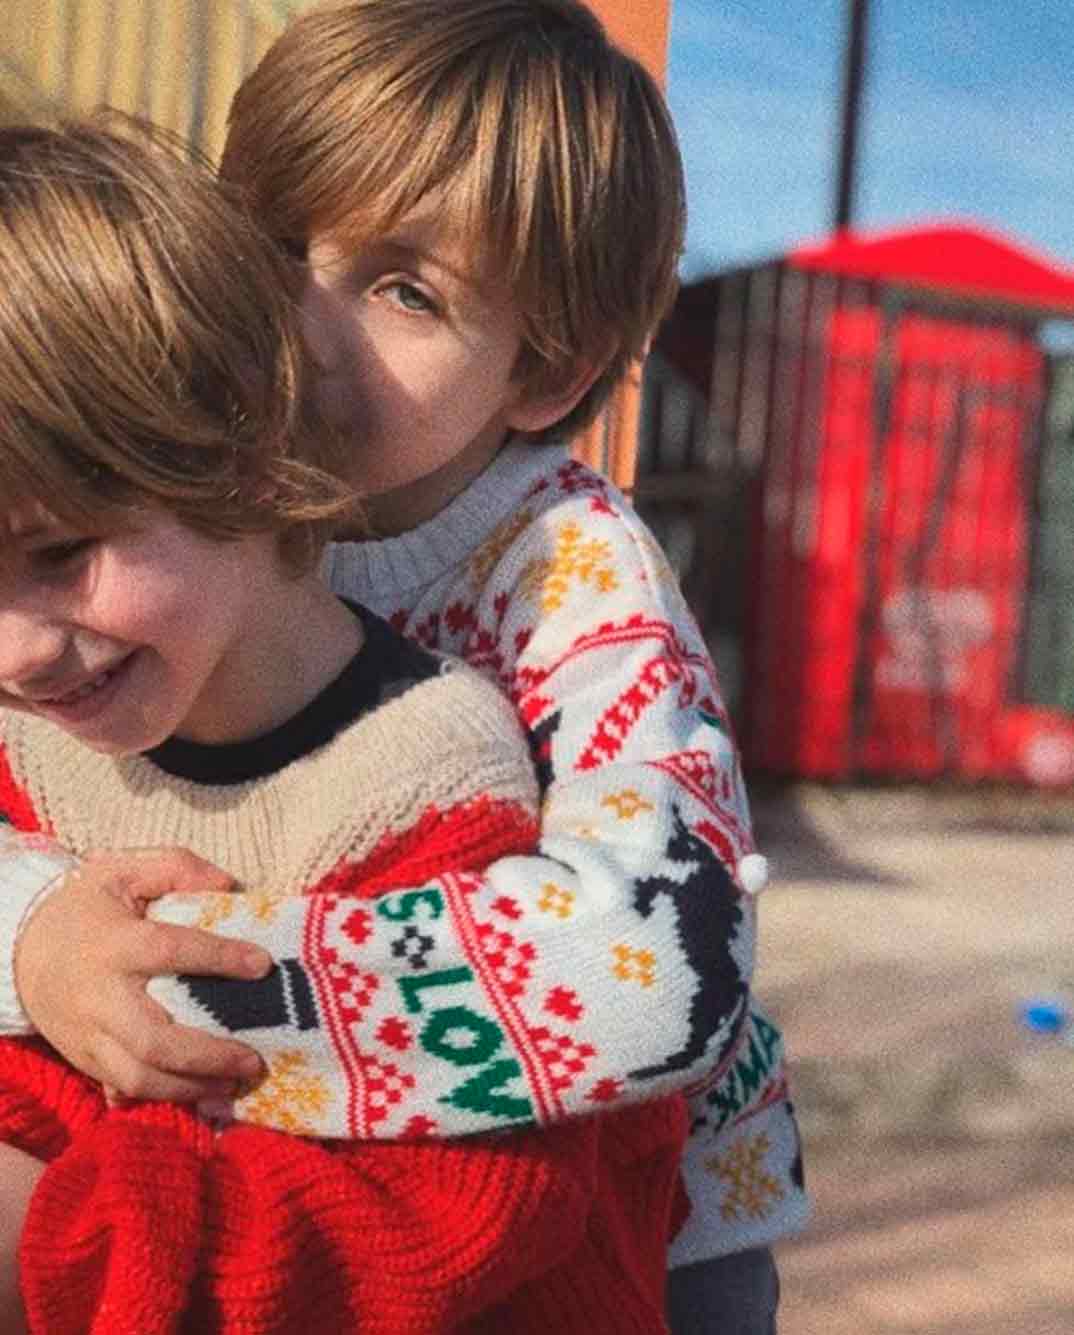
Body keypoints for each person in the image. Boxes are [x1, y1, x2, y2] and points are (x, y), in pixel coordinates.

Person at [2, 1, 808, 1330]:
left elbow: (662, 961)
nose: (300, 323)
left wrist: (162, 975)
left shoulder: (565, 568)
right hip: (311, 1180)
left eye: (404, 289)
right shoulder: (145, 509)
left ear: (541, 373)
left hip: (656, 1229)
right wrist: (36, 935)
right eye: (268, 240)